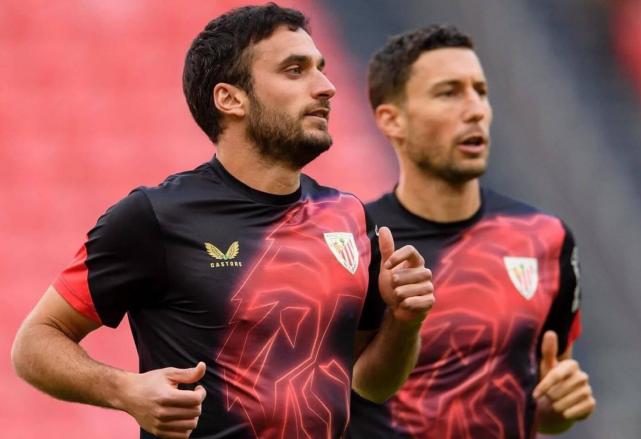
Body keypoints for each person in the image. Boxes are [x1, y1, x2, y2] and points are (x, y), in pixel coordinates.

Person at [11, 4, 435, 439]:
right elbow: (35, 343)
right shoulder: (154, 217)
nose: (326, 87)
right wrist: (125, 390)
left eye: (322, 70)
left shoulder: (348, 217)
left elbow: (372, 382)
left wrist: (404, 321)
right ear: (230, 98)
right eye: (295, 70)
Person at [348, 25, 595, 438]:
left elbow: (549, 390)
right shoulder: (352, 243)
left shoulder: (546, 239)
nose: (476, 109)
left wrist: (560, 408)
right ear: (392, 121)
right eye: (449, 93)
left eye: (480, 91)